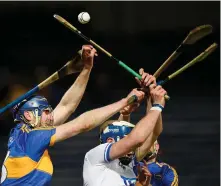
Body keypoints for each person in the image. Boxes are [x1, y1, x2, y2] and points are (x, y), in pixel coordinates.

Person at [0, 44, 144, 186]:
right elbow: (81, 125)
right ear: (29, 116)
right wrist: (124, 102)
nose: (51, 116)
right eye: (45, 112)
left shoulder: (22, 136)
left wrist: (86, 70)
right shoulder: (32, 136)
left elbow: (66, 107)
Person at [83, 71, 167, 186]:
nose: (131, 149)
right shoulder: (94, 157)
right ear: (109, 141)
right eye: (128, 141)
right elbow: (135, 139)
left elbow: (153, 132)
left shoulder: (130, 163)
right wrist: (157, 106)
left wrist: (150, 97)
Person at [119, 69, 179, 186]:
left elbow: (154, 130)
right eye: (140, 141)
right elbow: (122, 141)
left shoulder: (165, 172)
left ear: (157, 146)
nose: (144, 141)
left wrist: (151, 98)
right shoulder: (127, 162)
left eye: (149, 140)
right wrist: (125, 113)